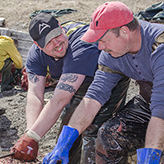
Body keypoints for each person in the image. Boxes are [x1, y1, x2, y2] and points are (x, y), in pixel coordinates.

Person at [42, 1, 164, 164]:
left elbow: (161, 108)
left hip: (160, 104)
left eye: (103, 40)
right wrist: (63, 144)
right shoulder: (112, 54)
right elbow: (93, 97)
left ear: (124, 32)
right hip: (149, 101)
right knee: (109, 134)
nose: (100, 47)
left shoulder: (159, 47)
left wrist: (151, 157)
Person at [10, 12, 130, 163]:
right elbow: (35, 95)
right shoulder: (35, 55)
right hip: (77, 81)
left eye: (57, 35)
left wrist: (32, 137)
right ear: (37, 45)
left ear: (61, 27)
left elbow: (60, 100)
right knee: (66, 132)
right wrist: (30, 133)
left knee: (93, 131)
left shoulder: (81, 43)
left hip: (108, 77)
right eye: (48, 42)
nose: (57, 43)